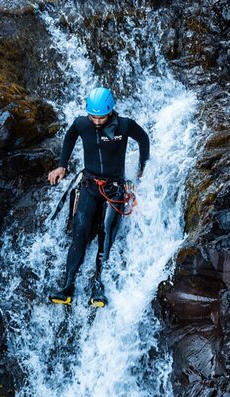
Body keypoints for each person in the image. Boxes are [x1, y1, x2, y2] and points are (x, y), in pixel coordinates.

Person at [47, 87, 150, 307]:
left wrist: (142, 167)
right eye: (92, 116)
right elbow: (69, 138)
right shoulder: (82, 124)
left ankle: (98, 287)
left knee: (106, 236)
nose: (96, 121)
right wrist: (61, 166)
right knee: (80, 232)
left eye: (100, 117)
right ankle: (67, 287)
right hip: (90, 184)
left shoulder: (124, 125)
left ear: (110, 110)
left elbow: (143, 140)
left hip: (114, 187)